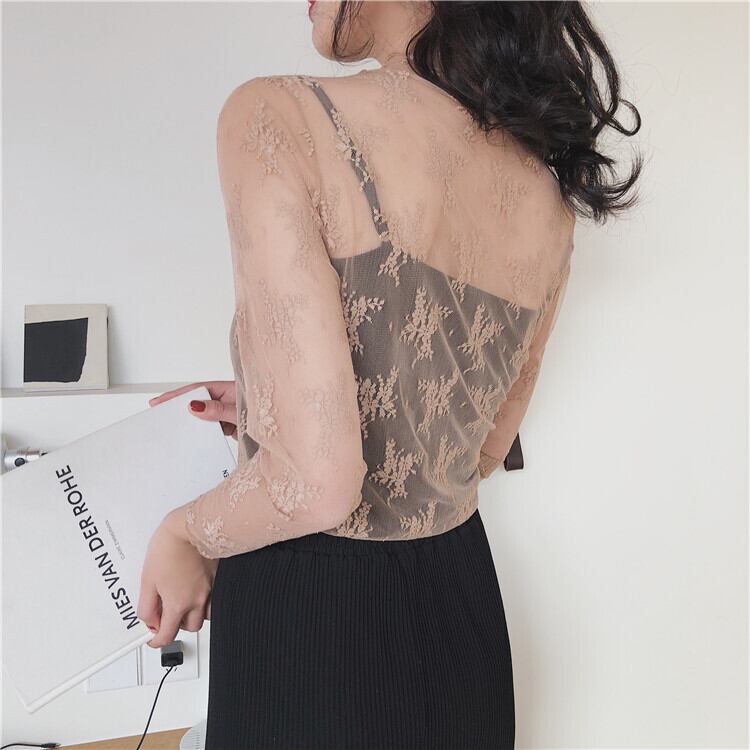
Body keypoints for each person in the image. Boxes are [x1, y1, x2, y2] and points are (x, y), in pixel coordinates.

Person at [139, 1, 642, 747]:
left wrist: (185, 532)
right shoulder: (545, 194)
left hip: (315, 628)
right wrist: (275, 402)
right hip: (458, 608)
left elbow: (316, 486)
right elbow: (477, 447)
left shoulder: (281, 114)